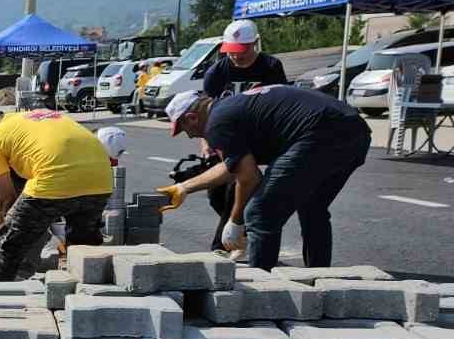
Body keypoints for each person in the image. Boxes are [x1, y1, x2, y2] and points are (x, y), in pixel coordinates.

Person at [157, 87, 369, 271]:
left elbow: (249, 177)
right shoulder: (230, 108)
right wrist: (184, 187)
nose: (191, 136)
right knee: (312, 206)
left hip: (320, 134)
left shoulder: (216, 124)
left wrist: (236, 221)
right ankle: (320, 277)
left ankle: (261, 290)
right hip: (354, 131)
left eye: (184, 129)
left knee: (259, 213)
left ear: (192, 118)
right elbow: (233, 166)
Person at [0, 105, 113, 282]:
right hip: (101, 178)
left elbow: (7, 198)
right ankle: (88, 294)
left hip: (54, 177)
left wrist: (7, 234)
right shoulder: (36, 115)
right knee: (84, 250)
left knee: (11, 250)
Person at [198, 20, 289, 253]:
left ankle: (223, 244)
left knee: (237, 186)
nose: (236, 57)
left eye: (241, 51)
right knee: (215, 193)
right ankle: (240, 229)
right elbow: (206, 109)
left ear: (255, 44)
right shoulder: (217, 72)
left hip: (257, 137)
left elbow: (279, 104)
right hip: (225, 135)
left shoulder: (271, 67)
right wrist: (206, 141)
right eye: (231, 52)